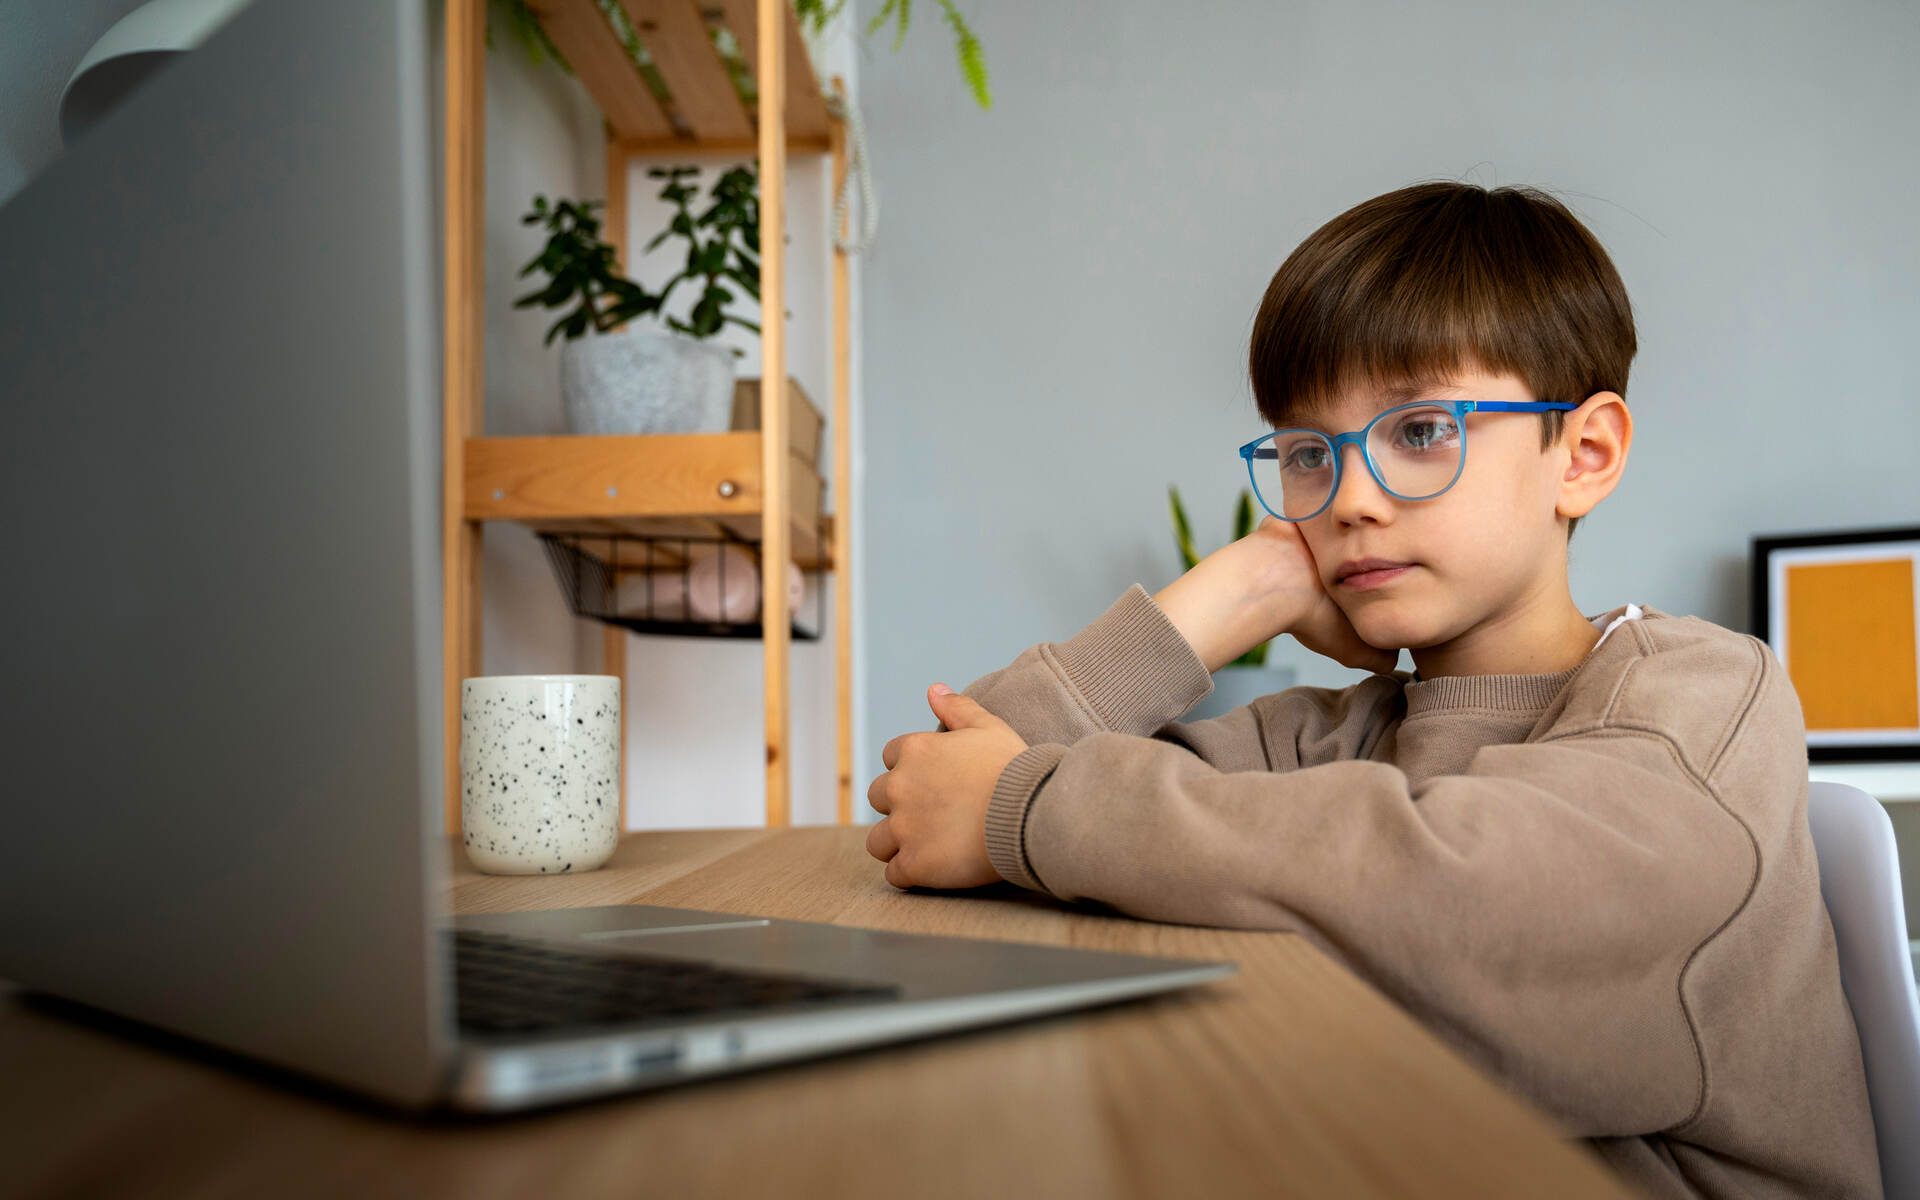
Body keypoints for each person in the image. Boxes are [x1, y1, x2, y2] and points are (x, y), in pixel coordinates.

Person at [863, 181, 1881, 1199]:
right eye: (1308, 453)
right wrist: (1232, 595)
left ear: (1584, 454)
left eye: (1422, 431)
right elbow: (942, 794)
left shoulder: (1700, 698)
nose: (1349, 498)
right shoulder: (1332, 737)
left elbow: (1464, 906)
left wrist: (1029, 806)